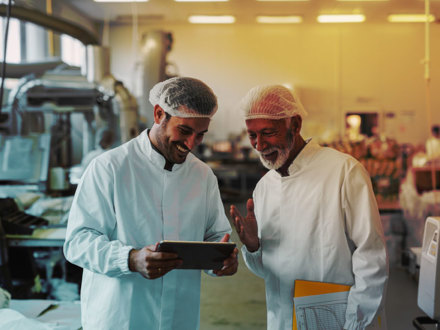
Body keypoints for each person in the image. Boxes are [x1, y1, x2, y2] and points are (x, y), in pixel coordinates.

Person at [64, 77, 238, 330]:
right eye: (185, 131)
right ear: (159, 114)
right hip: (120, 316)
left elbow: (215, 235)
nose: (191, 144)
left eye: (200, 135)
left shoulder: (202, 176)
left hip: (179, 316)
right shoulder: (110, 168)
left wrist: (221, 261)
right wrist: (130, 259)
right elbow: (78, 241)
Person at [230, 85, 388, 330]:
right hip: (282, 319)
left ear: (295, 125)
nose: (259, 145)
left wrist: (355, 322)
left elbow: (371, 256)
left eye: (268, 133)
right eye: (252, 135)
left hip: (340, 320)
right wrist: (253, 247)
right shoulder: (264, 188)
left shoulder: (343, 171)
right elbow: (268, 272)